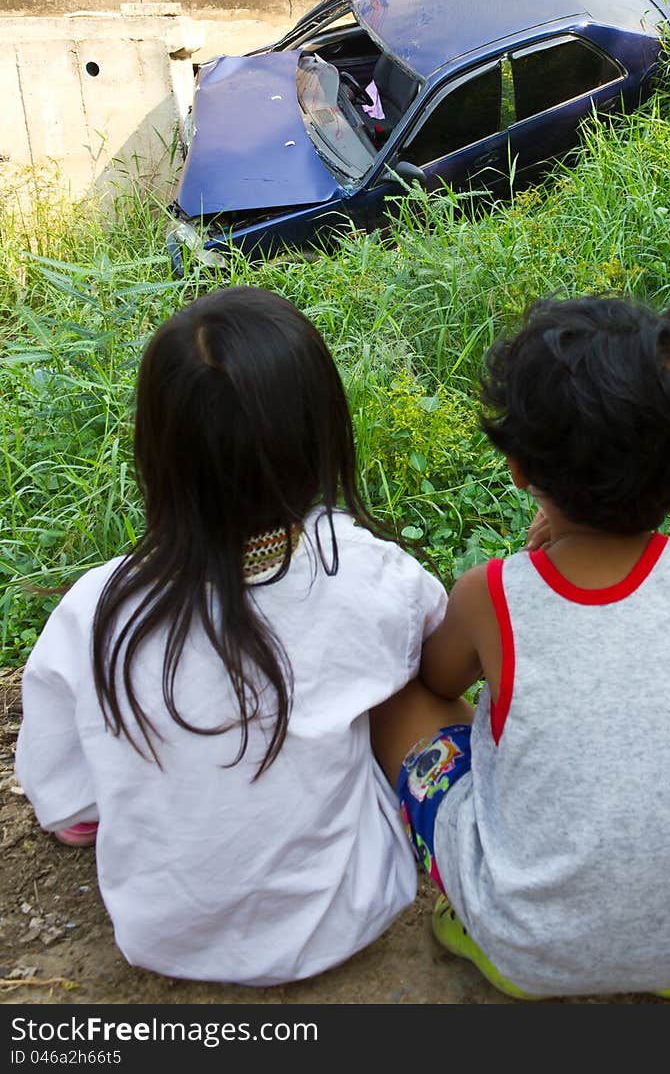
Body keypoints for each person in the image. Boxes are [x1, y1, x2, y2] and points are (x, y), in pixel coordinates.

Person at [15, 286, 448, 986]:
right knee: (409, 684)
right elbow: (439, 654)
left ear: (157, 450)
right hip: (349, 914)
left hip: (163, 934)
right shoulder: (367, 573)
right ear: (319, 433)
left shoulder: (94, 609)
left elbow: (61, 798)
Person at [371, 293, 670, 1002]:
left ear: (522, 470)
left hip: (525, 950)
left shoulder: (490, 594)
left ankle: (475, 918)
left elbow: (435, 682)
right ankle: (662, 941)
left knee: (399, 703)